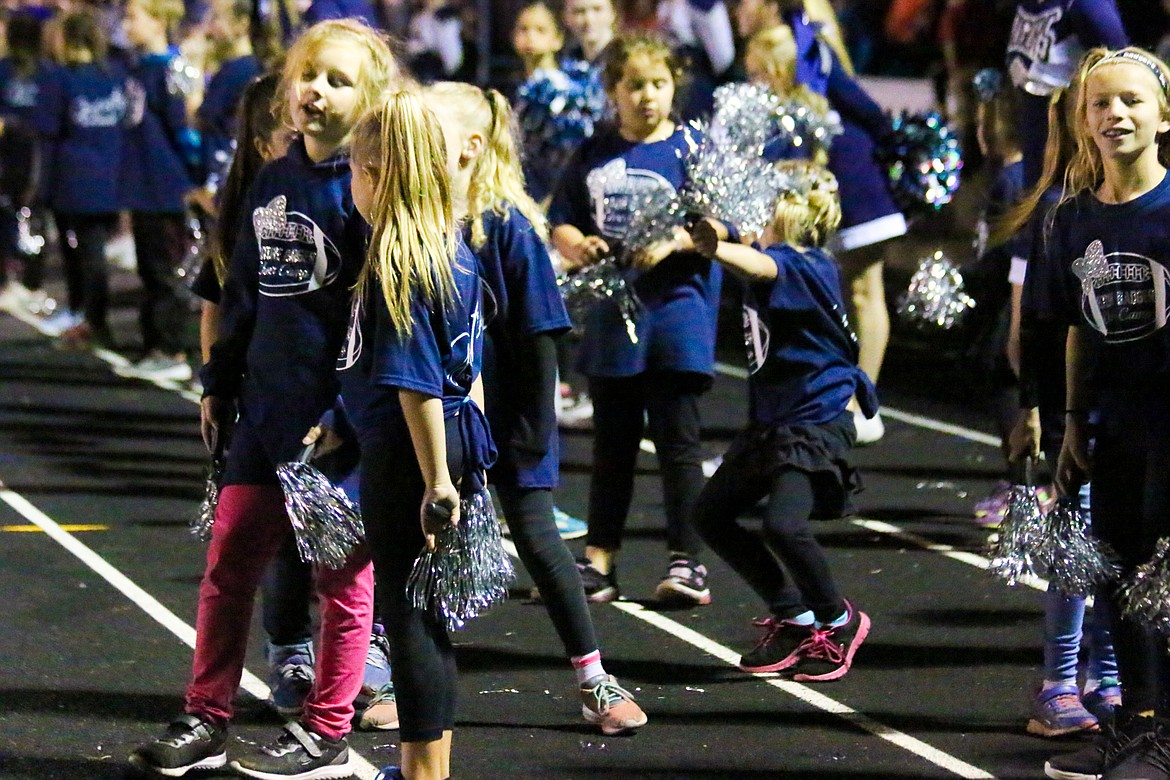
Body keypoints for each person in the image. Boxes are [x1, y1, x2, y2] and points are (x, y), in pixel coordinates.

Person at [128, 19, 399, 780]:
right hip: (262, 413)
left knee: (343, 583)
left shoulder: (371, 189)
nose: (316, 89)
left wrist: (347, 414)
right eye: (309, 74)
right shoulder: (273, 174)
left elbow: (385, 321)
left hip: (335, 425)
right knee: (228, 566)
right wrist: (217, 380)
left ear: (371, 96)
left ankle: (326, 732)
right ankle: (207, 717)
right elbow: (244, 290)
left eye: (339, 79)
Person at [424, 79, 648, 734]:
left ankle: (593, 678)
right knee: (416, 541)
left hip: (512, 415)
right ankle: (384, 671)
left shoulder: (510, 226)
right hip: (441, 420)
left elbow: (543, 335)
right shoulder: (418, 219)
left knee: (539, 540)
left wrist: (531, 427)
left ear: (467, 146)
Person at [1008, 46, 1170, 780]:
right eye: (1101, 103)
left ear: (1163, 115)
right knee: (1118, 568)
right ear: (1082, 121)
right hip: (1117, 419)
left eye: (1133, 100)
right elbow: (1073, 326)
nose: (1117, 114)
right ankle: (1135, 726)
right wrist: (1072, 420)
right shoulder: (1068, 221)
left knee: (1164, 568)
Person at [340, 88, 488, 780]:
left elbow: (416, 383)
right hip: (454, 439)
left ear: (378, 175)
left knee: (410, 620)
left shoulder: (398, 265)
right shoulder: (455, 249)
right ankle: (427, 767)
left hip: (412, 456)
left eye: (355, 169)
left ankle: (424, 772)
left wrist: (438, 483)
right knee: (429, 617)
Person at [686, 160, 872, 680]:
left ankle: (838, 619)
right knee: (710, 514)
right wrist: (713, 227)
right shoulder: (774, 253)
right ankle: (793, 615)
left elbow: (764, 267)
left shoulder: (808, 265)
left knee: (783, 525)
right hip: (774, 421)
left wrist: (715, 248)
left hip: (813, 421)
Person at [550, 33, 718, 606]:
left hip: (677, 310)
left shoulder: (692, 151)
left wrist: (673, 242)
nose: (648, 96)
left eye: (659, 84)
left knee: (678, 440)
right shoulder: (595, 152)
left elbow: (719, 228)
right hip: (614, 314)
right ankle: (600, 559)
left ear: (675, 87)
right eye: (634, 85)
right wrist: (581, 245)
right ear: (612, 91)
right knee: (613, 443)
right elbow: (562, 220)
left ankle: (686, 559)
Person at [737, 0, 906, 444]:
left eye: (758, 74)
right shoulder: (777, 104)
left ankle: (862, 405)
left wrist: (898, 154)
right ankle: (827, 400)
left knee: (865, 292)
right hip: (823, 197)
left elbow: (867, 109)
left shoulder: (813, 53)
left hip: (859, 190)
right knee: (835, 296)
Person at [114, 0, 198, 380]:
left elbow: (185, 129)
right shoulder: (136, 66)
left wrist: (194, 177)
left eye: (134, 17)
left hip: (168, 186)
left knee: (167, 271)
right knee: (149, 270)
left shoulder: (170, 69)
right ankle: (153, 345)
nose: (126, 24)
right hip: (143, 183)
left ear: (158, 20)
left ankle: (173, 349)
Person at [36, 8, 127, 350]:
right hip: (111, 174)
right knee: (91, 252)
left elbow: (46, 130)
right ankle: (84, 315)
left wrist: (40, 186)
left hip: (72, 178)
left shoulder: (58, 78)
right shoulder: (114, 75)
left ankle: (92, 320)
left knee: (84, 253)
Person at [0, 11, 53, 319]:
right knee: (34, 216)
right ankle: (30, 282)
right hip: (34, 152)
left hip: (20, 152)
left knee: (14, 214)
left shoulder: (41, 72)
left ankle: (14, 281)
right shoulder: (46, 71)